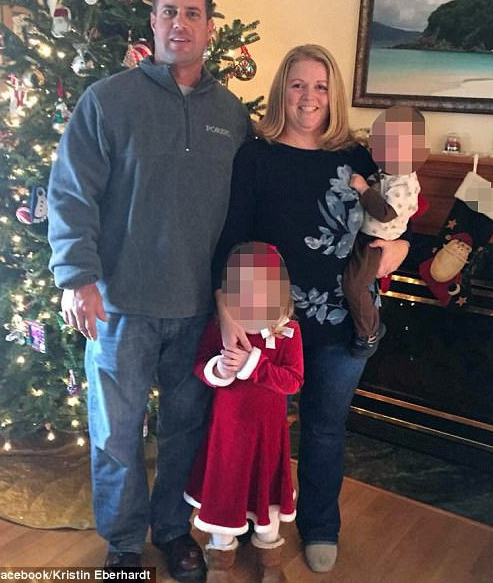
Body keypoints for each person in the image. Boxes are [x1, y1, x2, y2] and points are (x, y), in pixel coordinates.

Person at [47, 0, 251, 578]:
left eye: (192, 14)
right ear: (153, 22)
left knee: (186, 428)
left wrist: (237, 299)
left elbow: (244, 214)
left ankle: (172, 530)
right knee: (116, 434)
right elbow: (71, 193)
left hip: (197, 308)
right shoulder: (108, 101)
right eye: (169, 12)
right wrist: (77, 278)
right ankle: (124, 543)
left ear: (209, 27)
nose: (179, 24)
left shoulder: (231, 115)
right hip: (120, 306)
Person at [211, 44, 411, 573]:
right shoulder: (255, 156)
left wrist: (402, 249)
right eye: (298, 84)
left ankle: (321, 525)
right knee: (261, 429)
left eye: (320, 86)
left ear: (333, 94)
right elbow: (232, 240)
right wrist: (226, 312)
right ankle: (251, 523)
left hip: (344, 324)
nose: (309, 96)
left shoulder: (358, 158)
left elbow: (396, 220)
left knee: (325, 427)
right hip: (270, 327)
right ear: (283, 90)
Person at [184, 242, 303, 583]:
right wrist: (219, 369)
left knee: (268, 501)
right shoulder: (221, 327)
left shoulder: (289, 331)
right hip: (228, 435)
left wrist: (254, 365)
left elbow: (293, 381)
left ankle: (271, 561)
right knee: (225, 493)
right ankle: (220, 560)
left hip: (268, 439)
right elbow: (200, 365)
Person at [344, 106, 428, 358]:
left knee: (355, 285)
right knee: (354, 282)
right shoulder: (386, 171)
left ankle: (369, 332)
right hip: (366, 237)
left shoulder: (403, 180)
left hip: (374, 242)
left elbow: (389, 212)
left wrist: (404, 243)